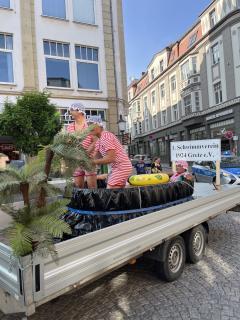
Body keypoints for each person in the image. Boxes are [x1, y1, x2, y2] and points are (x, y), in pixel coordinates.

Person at [88, 119, 133, 189]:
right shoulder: (99, 140)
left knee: (111, 191)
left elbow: (110, 158)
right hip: (117, 167)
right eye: (88, 125)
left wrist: (93, 162)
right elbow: (95, 157)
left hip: (121, 167)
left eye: (92, 125)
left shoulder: (106, 137)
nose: (89, 127)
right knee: (117, 194)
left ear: (100, 126)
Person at [67, 103, 97, 189]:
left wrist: (86, 153)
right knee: (79, 188)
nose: (70, 112)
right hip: (76, 162)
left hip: (89, 161)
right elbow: (69, 143)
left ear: (79, 111)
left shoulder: (90, 125)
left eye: (72, 110)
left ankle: (93, 203)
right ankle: (82, 203)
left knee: (92, 188)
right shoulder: (69, 127)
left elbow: (96, 141)